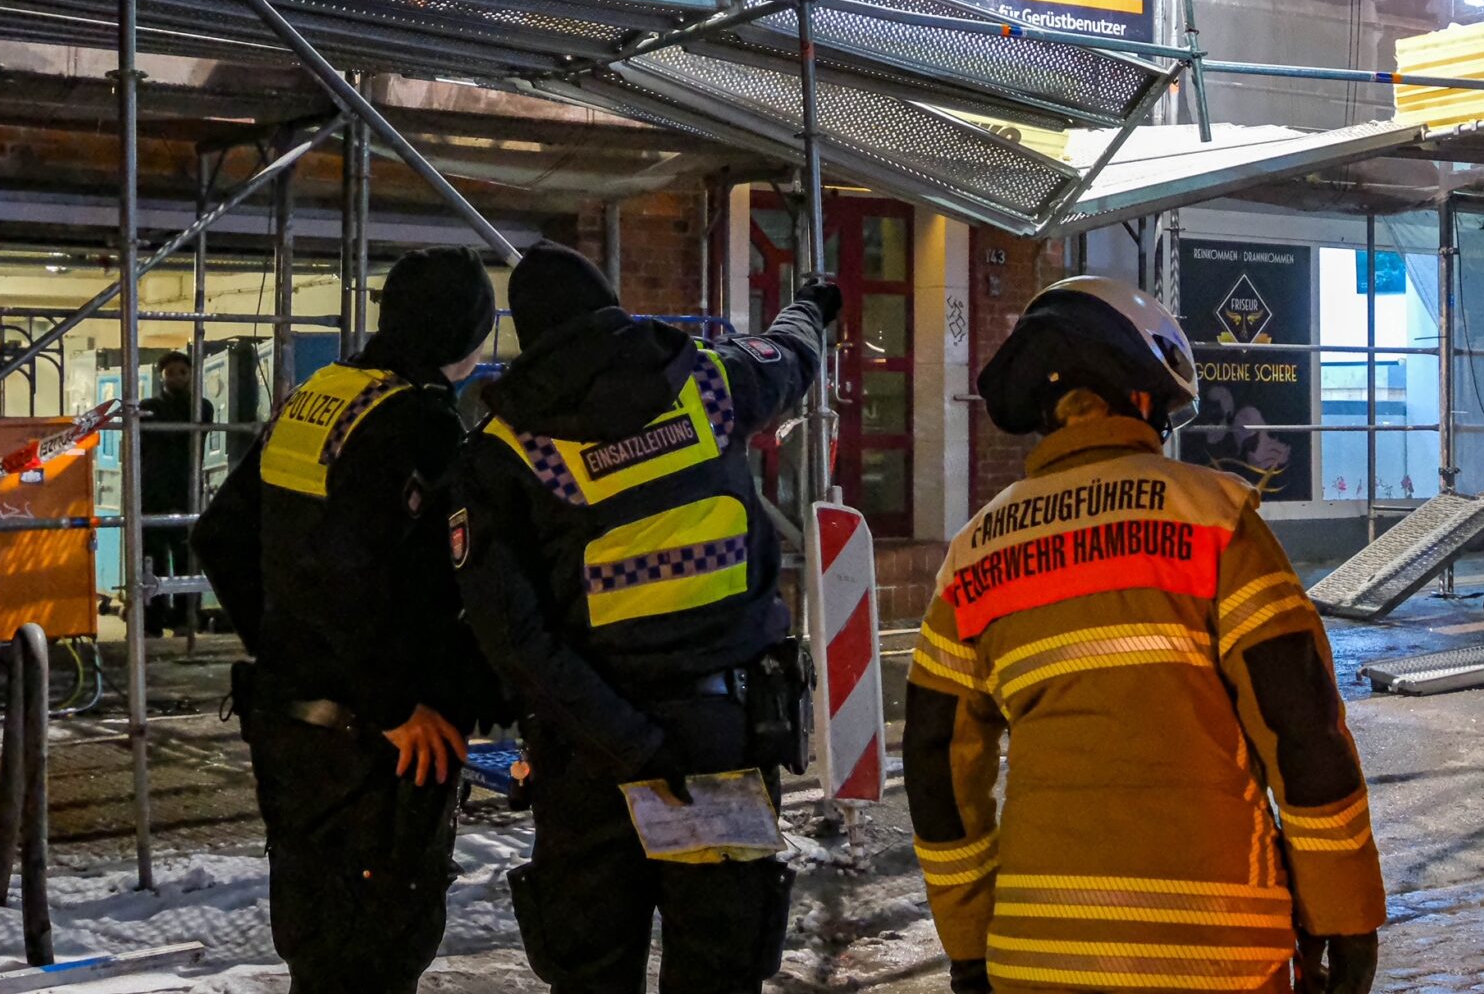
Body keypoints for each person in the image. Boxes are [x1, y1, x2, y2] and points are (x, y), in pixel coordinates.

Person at [906, 277, 1385, 994]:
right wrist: (1344, 914)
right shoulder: (1214, 517)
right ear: (1141, 400)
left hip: (1037, 958)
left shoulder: (974, 554)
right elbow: (1303, 726)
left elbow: (936, 761)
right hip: (1219, 952)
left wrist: (970, 943)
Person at [454, 243, 837, 994]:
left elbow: (512, 636)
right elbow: (790, 354)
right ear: (613, 307)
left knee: (593, 971)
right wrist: (813, 306)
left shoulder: (504, 449)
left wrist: (627, 741)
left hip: (592, 755)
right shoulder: (708, 380)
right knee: (720, 969)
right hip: (721, 740)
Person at [191, 248, 504, 994]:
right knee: (378, 947)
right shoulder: (418, 420)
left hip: (289, 725)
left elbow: (219, 535)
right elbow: (354, 570)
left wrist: (286, 645)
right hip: (372, 744)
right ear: (466, 331)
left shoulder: (321, 396)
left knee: (318, 945)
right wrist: (394, 702)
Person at [136, 350, 215, 637]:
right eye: (171, 373)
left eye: (183, 372)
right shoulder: (147, 406)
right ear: (161, 376)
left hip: (185, 490)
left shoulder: (201, 407)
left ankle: (184, 618)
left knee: (185, 558)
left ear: (191, 375)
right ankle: (152, 622)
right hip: (153, 492)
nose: (177, 378)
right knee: (151, 559)